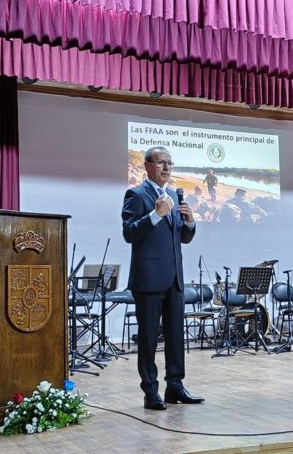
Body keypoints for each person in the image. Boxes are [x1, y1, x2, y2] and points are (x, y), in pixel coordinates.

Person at [122, 147, 205, 410]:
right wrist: (155, 215)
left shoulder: (172, 195)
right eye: (161, 163)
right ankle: (151, 392)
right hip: (148, 280)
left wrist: (190, 223)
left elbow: (180, 237)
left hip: (174, 278)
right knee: (148, 339)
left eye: (170, 163)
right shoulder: (136, 194)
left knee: (176, 336)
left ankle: (175, 386)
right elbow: (129, 233)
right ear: (147, 166)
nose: (167, 168)